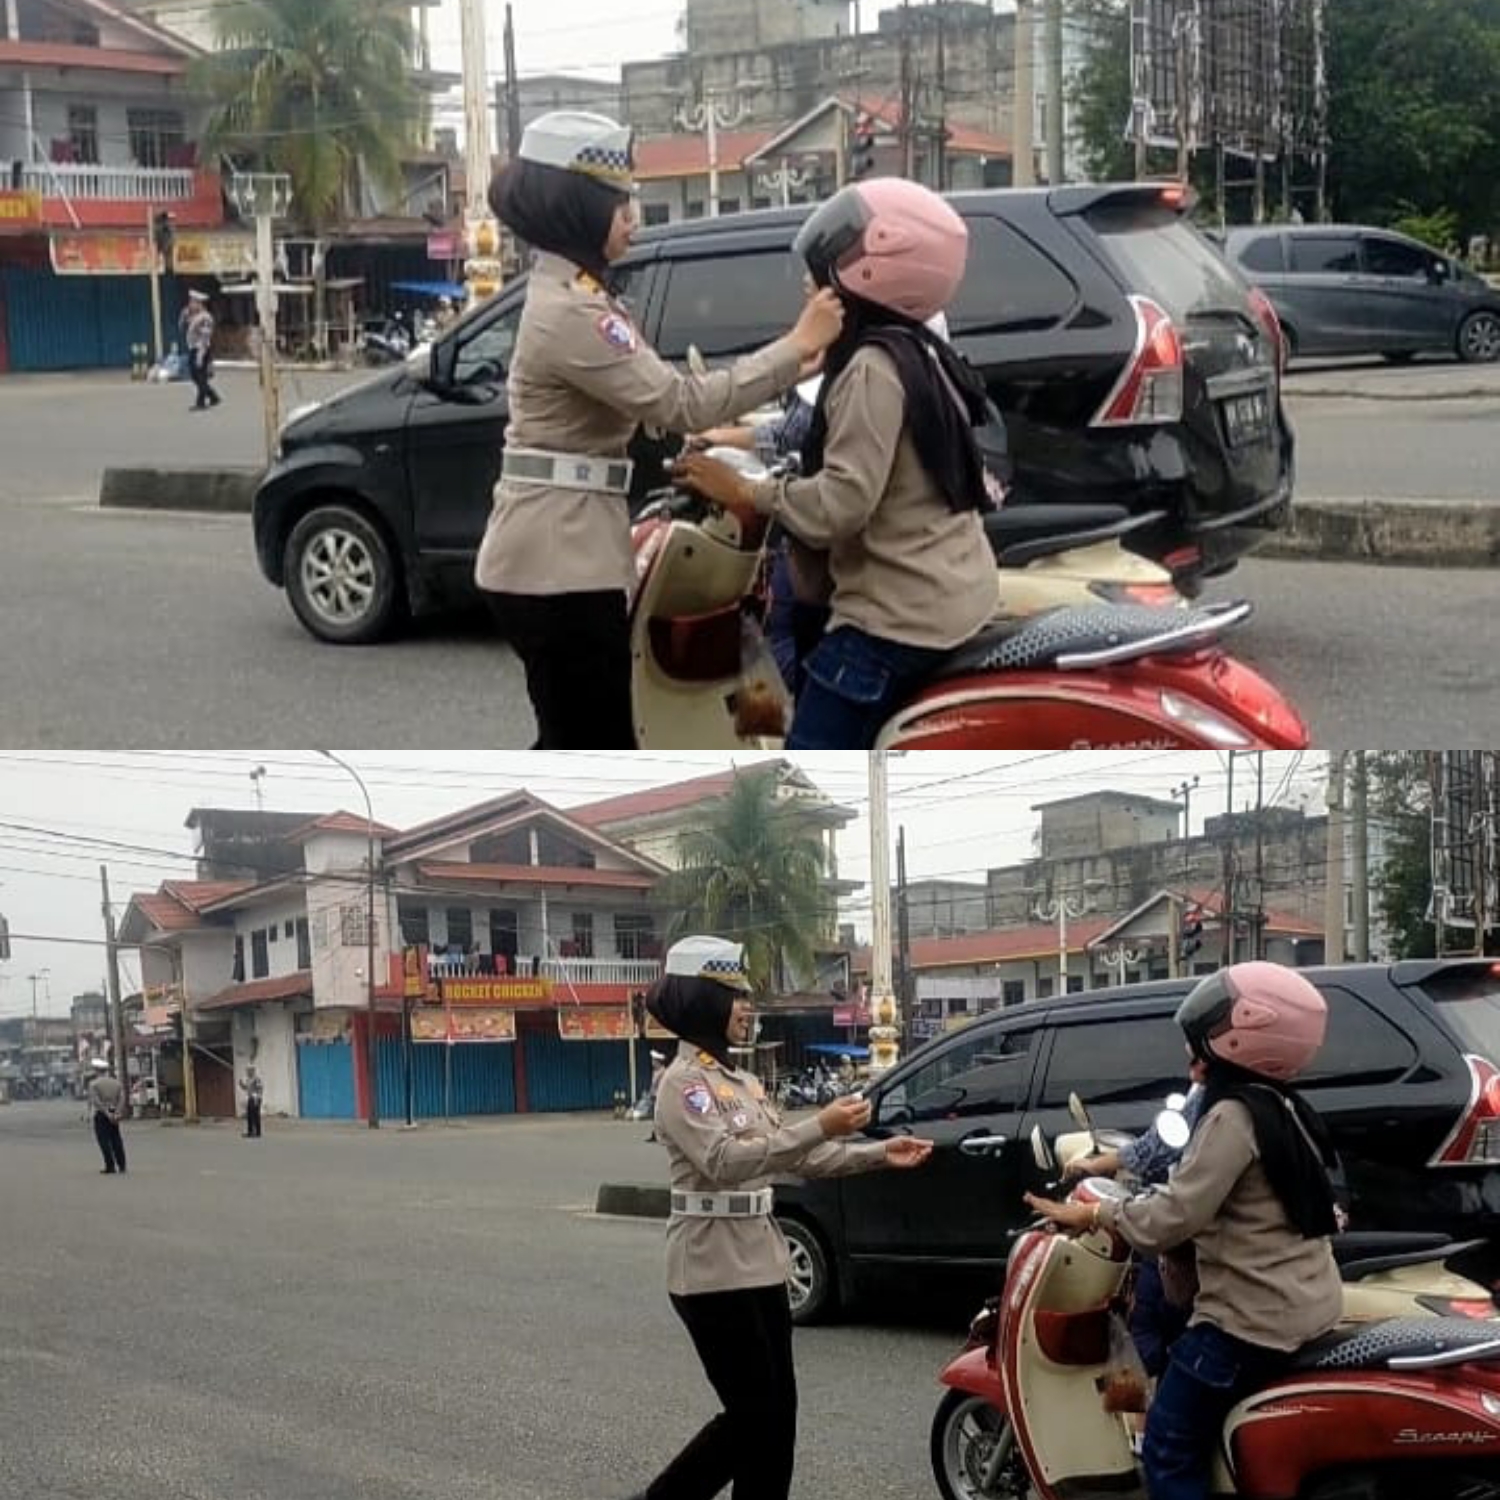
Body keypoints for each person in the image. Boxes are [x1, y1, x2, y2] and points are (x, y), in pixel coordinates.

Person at [474, 109, 843, 750]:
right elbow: (677, 401)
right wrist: (793, 346)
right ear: (577, 209)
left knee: (581, 735)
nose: (632, 219)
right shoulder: (573, 311)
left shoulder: (580, 293)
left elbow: (653, 402)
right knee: (594, 741)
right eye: (619, 204)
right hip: (556, 565)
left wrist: (759, 403)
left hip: (562, 549)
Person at [672, 178, 999, 749]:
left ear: (869, 275)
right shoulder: (917, 347)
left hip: (891, 624)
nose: (807, 283)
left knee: (801, 790)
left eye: (821, 270)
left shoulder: (872, 369)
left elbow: (840, 507)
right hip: (946, 600)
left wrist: (749, 492)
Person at [627, 934, 933, 1500]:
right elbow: (723, 1162)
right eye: (734, 996)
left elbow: (797, 1154)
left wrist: (875, 1153)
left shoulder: (742, 1083)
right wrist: (821, 1123)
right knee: (751, 1415)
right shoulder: (683, 1085)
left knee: (777, 1423)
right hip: (711, 1270)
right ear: (702, 1001)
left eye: (747, 996)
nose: (747, 1008)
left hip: (763, 1263)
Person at [1025, 962, 1344, 1500]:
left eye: (1200, 1041)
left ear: (1239, 1039)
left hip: (1248, 1323)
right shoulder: (1283, 1105)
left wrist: (1095, 1215)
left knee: (1168, 1441)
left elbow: (1174, 1216)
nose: (1191, 1056)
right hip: (1303, 1305)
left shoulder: (1233, 1117)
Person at [1064, 1070, 1207, 1381]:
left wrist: (1096, 1168)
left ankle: (1139, 1413)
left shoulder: (1221, 1096)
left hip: (1206, 1255)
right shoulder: (1265, 1094)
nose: (1192, 1062)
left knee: (1145, 1322)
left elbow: (1157, 1149)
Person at [85, 1058, 127, 1175]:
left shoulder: (93, 1084)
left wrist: (106, 1113)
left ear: (96, 1071)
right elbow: (122, 1098)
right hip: (114, 1112)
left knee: (103, 1140)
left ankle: (110, 1165)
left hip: (101, 1115)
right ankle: (122, 1164)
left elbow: (96, 1101)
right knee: (116, 1139)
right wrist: (117, 1112)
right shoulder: (116, 1083)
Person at [184, 289, 221, 412]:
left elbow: (205, 336)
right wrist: (185, 315)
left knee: (200, 376)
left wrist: (201, 354)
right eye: (190, 301)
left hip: (201, 349)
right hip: (193, 348)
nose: (190, 304)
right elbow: (182, 326)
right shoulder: (193, 316)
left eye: (193, 302)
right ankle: (213, 396)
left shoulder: (206, 318)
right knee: (195, 376)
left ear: (200, 304)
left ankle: (201, 403)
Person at [644, 1047, 667, 1143]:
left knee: (659, 1117)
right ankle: (655, 1134)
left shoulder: (662, 1072)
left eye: (653, 1060)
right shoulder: (656, 1071)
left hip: (659, 1097)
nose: (652, 1062)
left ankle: (661, 1135)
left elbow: (661, 1086)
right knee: (655, 1117)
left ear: (658, 1062)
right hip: (654, 1096)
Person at [240, 1065, 264, 1138]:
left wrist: (257, 1098)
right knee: (249, 1115)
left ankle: (257, 1132)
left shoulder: (256, 1079)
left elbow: (260, 1089)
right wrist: (241, 1085)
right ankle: (250, 1132)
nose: (247, 1072)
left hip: (255, 1098)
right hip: (250, 1098)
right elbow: (246, 1089)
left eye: (249, 1070)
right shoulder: (248, 1079)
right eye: (247, 1070)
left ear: (252, 1071)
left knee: (256, 1116)